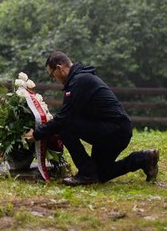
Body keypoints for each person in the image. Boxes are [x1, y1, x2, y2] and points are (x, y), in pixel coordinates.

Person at [24, 51, 159, 186]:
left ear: (59, 68)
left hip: (113, 131)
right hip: (116, 130)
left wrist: (36, 134)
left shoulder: (79, 81)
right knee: (101, 174)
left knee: (65, 127)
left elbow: (64, 118)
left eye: (52, 75)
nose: (54, 79)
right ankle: (143, 158)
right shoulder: (80, 79)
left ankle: (86, 173)